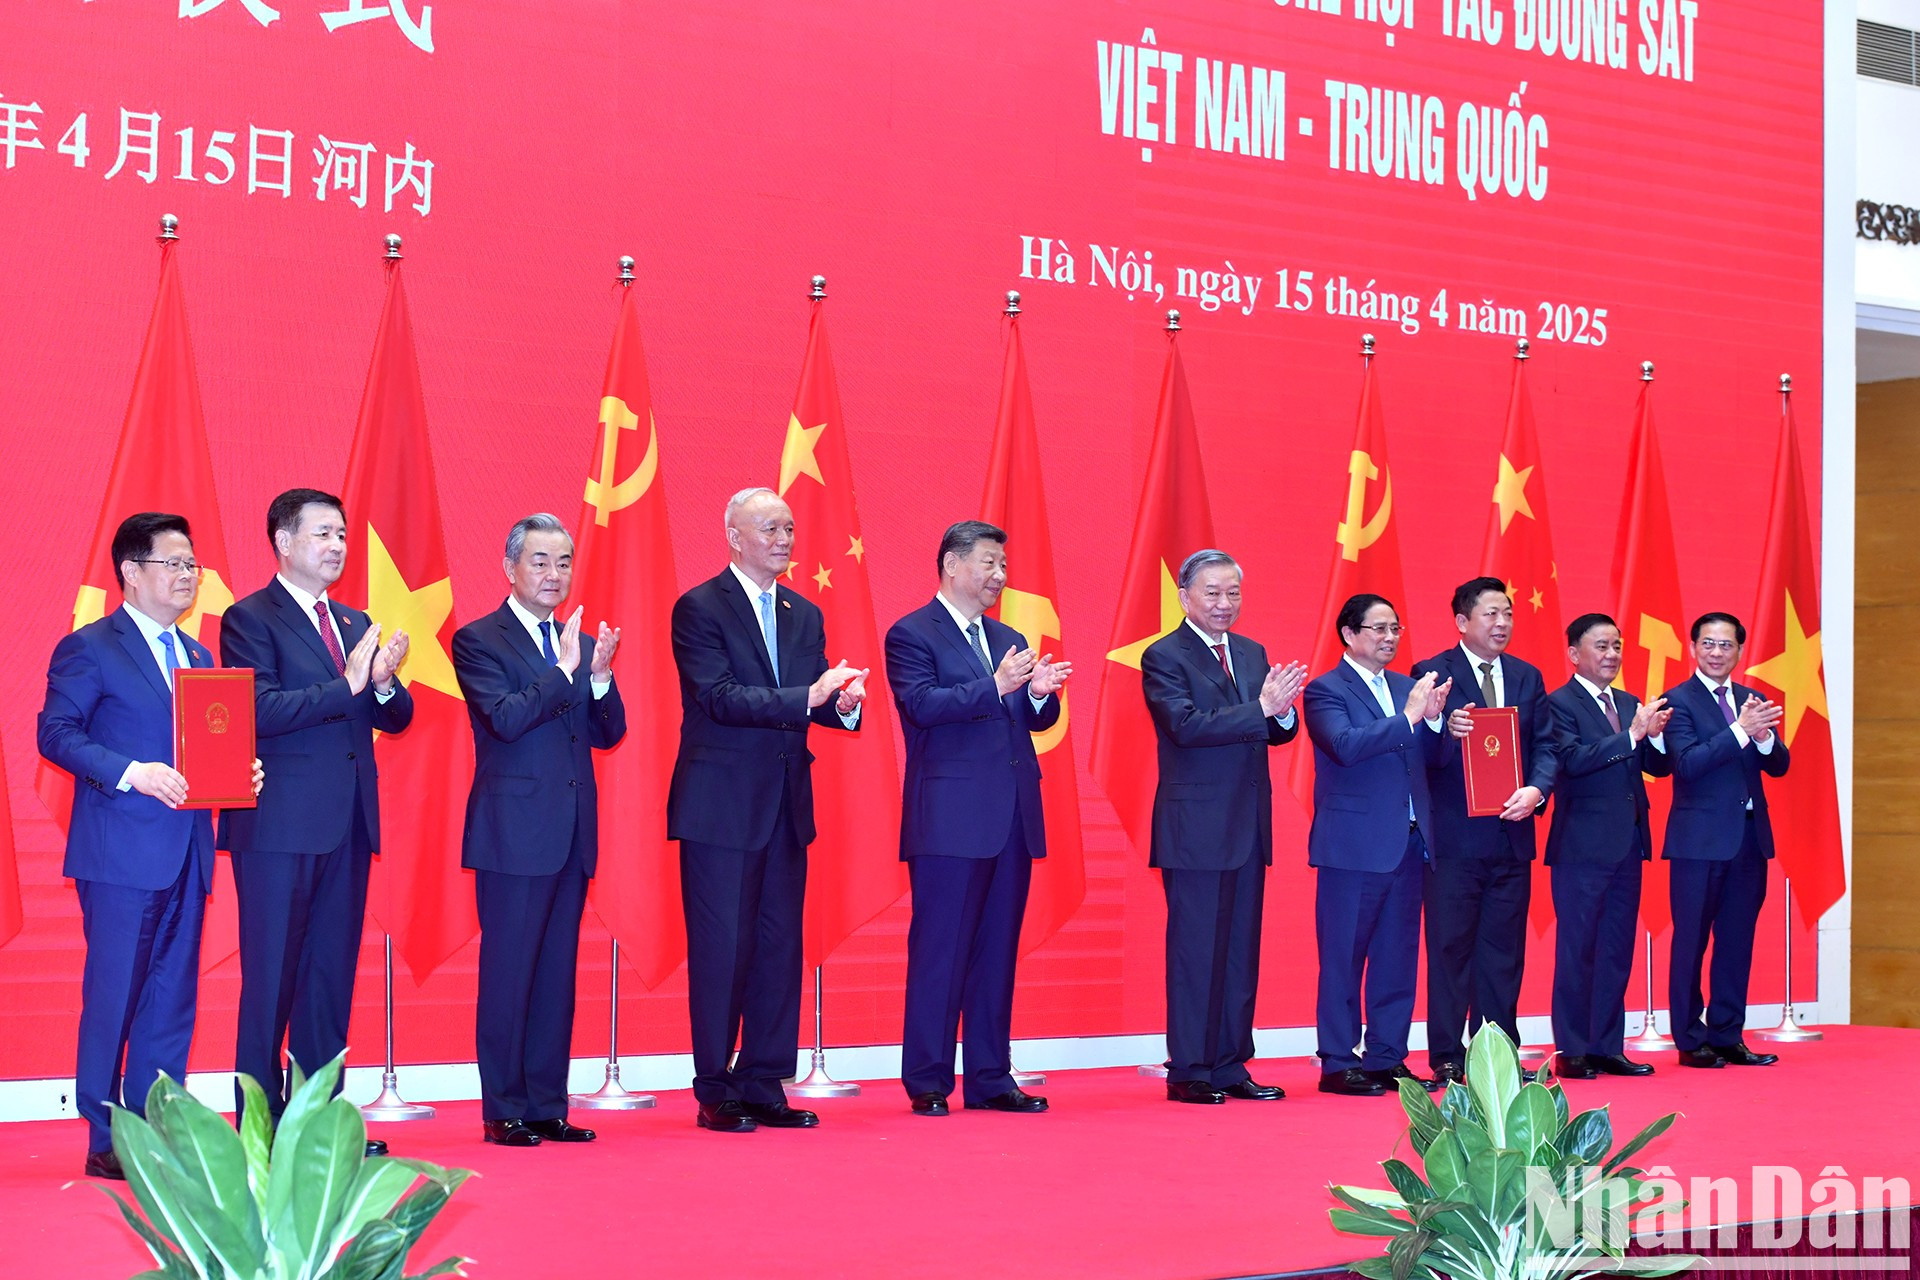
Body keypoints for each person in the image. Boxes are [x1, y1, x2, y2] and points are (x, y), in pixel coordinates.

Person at [38, 513, 261, 1179]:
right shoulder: (90, 647)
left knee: (171, 995)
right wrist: (131, 773)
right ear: (131, 572)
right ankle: (106, 1133)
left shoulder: (197, 656)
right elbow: (56, 734)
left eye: (191, 564)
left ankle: (159, 1119)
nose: (187, 575)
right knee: (115, 991)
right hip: (120, 853)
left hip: (187, 850)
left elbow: (206, 751)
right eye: (173, 563)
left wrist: (238, 774)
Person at [219, 488, 412, 1153]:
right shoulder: (249, 619)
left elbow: (394, 716)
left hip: (349, 825)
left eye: (342, 535)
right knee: (270, 979)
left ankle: (320, 1127)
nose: (336, 546)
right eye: (323, 534)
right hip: (277, 826)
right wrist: (350, 685)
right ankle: (261, 1129)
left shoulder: (357, 622)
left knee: (329, 979)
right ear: (283, 541)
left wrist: (384, 683)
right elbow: (260, 709)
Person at [668, 487, 865, 1133]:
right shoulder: (698, 607)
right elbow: (719, 696)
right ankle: (715, 1086)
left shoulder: (804, 612)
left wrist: (843, 703)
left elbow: (811, 702)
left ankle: (763, 1079)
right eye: (769, 528)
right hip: (720, 806)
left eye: (788, 528)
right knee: (722, 948)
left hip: (785, 803)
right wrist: (807, 694)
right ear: (734, 535)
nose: (784, 539)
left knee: (779, 946)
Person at [452, 514, 625, 1146]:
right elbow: (504, 719)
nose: (555, 576)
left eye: (564, 563)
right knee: (510, 972)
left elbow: (610, 733)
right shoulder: (479, 639)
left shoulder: (573, 640)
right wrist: (564, 671)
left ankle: (549, 1102)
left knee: (556, 973)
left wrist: (599, 676)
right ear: (510, 568)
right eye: (541, 562)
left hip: (572, 832)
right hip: (513, 834)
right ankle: (504, 1109)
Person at [888, 520, 1069, 1117]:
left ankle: (992, 1077)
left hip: (1011, 816)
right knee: (941, 950)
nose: (999, 576)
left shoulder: (1008, 635)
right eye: (989, 564)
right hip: (949, 819)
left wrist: (1038, 693)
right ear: (951, 565)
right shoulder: (912, 633)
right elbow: (921, 706)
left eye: (1003, 566)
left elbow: (1029, 721)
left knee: (996, 952)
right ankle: (929, 1080)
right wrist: (995, 685)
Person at [1141, 550, 1304, 1104]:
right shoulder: (1164, 656)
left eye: (1233, 592)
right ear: (1185, 596)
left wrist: (1282, 713)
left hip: (1247, 824)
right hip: (1195, 829)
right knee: (1195, 954)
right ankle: (1189, 1069)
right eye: (1212, 592)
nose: (1224, 603)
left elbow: (1273, 729)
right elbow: (1185, 727)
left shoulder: (1253, 652)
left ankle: (1232, 1065)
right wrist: (1262, 707)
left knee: (1239, 952)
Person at [1301, 593, 1451, 1097]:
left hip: (1409, 843)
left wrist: (1435, 723)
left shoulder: (1408, 688)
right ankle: (1339, 1061)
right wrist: (1410, 718)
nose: (1389, 639)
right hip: (1353, 847)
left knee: (1397, 958)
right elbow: (1344, 747)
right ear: (1349, 634)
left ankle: (1387, 1056)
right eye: (1379, 629)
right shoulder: (1327, 691)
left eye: (1396, 630)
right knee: (1343, 957)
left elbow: (1431, 759)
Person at [1412, 577, 1558, 1086]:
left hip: (1512, 835)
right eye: (1491, 614)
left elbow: (1546, 745)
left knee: (1503, 952)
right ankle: (1448, 1056)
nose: (1502, 624)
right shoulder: (1433, 673)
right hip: (1454, 841)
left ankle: (1497, 1053)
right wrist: (1439, 729)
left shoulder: (1527, 676)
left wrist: (1537, 790)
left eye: (1508, 614)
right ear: (1461, 622)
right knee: (1450, 949)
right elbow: (1419, 757)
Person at [1544, 613, 1670, 1079]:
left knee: (1616, 949)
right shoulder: (1558, 703)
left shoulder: (1629, 701)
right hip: (1582, 847)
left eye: (1616, 646)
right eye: (1601, 646)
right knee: (1578, 949)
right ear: (1574, 654)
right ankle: (1573, 1050)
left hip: (1628, 845)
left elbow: (1656, 763)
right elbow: (1572, 762)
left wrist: (1653, 737)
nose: (1612, 655)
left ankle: (1607, 1046)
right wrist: (1632, 734)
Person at [1662, 612, 1789, 1069]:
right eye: (1709, 644)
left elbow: (1779, 765)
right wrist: (1740, 731)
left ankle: (1728, 1034)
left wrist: (1764, 736)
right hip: (1699, 844)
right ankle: (1690, 1039)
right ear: (1693, 647)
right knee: (1691, 941)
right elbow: (1688, 765)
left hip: (1749, 842)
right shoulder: (1676, 701)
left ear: (1740, 651)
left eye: (1727, 645)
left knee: (1737, 941)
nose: (1718, 653)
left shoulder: (1752, 700)